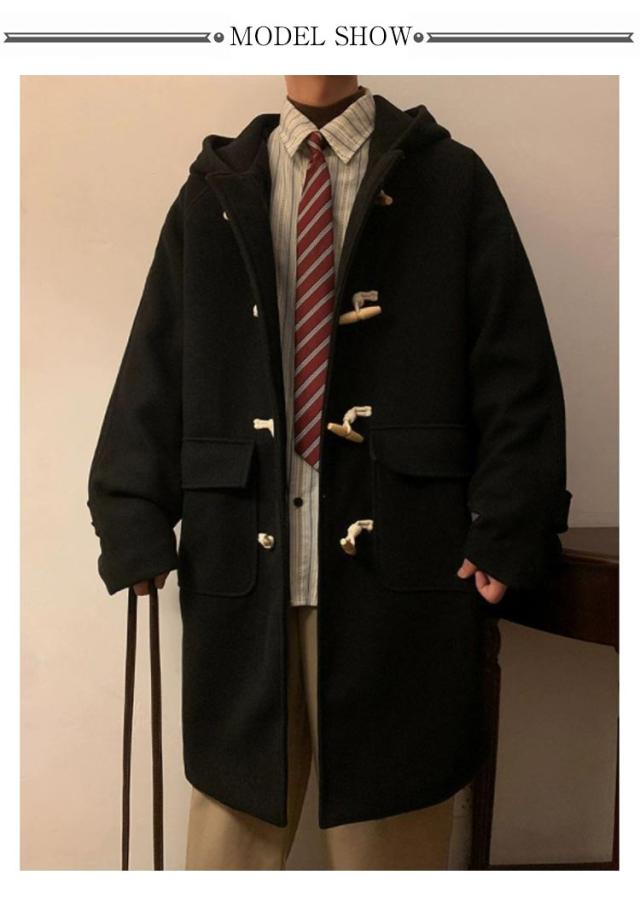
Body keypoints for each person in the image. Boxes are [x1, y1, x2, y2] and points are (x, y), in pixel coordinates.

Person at [87, 75, 571, 869]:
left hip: (405, 572)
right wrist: (131, 513)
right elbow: (157, 361)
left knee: (391, 843)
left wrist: (511, 523)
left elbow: (515, 370)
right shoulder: (214, 193)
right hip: (241, 573)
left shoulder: (451, 183)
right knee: (226, 848)